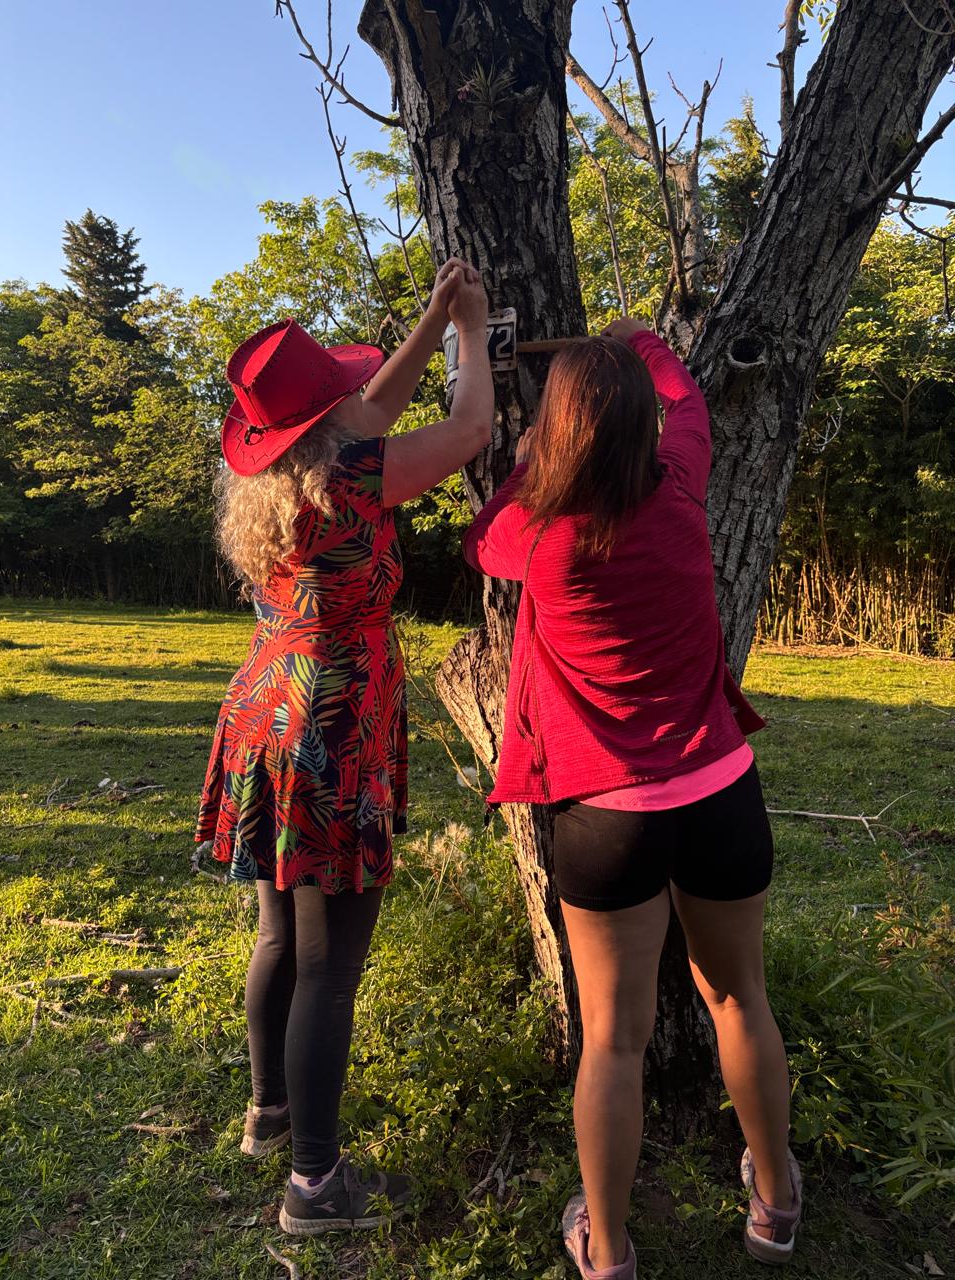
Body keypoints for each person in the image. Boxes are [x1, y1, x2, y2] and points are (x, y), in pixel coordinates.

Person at [462, 316, 801, 1277]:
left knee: (612, 1039)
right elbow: (692, 402)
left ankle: (606, 1251)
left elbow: (482, 536)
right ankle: (775, 1204)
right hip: (721, 794)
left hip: (606, 818)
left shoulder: (538, 538)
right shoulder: (683, 490)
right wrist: (645, 343)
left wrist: (529, 461)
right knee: (743, 1000)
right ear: (641, 433)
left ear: (559, 434)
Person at [195, 259, 492, 1236]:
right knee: (331, 964)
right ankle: (316, 1187)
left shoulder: (281, 477)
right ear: (323, 420)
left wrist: (432, 318)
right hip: (333, 724)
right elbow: (471, 430)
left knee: (283, 933)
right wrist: (474, 338)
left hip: (269, 706)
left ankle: (270, 1114)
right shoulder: (352, 475)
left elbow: (367, 408)